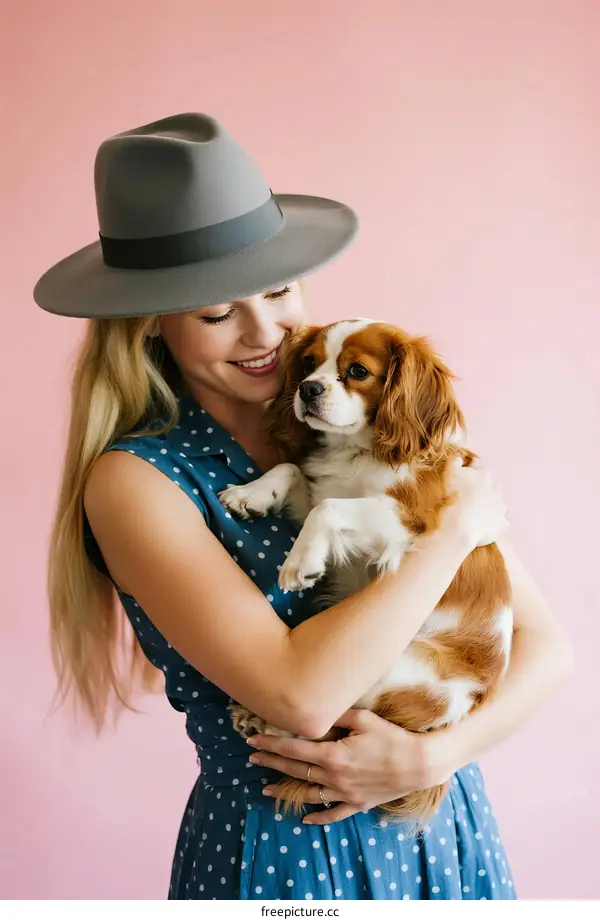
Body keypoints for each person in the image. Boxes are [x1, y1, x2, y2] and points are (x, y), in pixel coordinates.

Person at [34, 112, 572, 901]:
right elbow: (301, 697)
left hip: (440, 821)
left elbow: (545, 646)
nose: (267, 333)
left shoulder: (366, 421)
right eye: (217, 313)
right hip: (290, 846)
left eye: (279, 290)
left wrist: (432, 758)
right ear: (151, 325)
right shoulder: (139, 482)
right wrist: (453, 530)